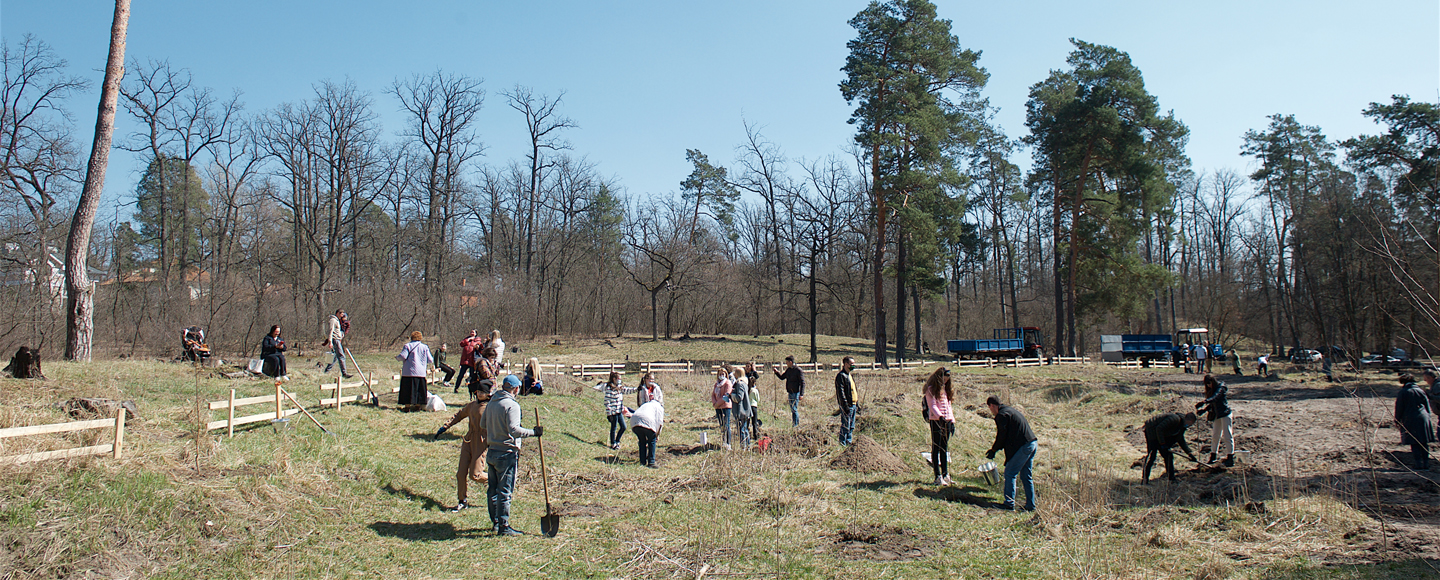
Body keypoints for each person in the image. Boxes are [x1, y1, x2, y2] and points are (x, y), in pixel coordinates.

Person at [481, 373, 542, 536]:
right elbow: (514, 430)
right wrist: (533, 432)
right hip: (506, 453)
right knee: (505, 491)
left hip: (492, 451)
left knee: (492, 489)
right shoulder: (512, 405)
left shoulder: (491, 403)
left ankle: (495, 522)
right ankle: (504, 526)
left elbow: (482, 424)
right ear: (515, 389)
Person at [435, 390, 489, 512]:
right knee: (461, 473)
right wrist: (445, 426)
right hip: (468, 439)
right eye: (479, 391)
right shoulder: (472, 405)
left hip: (481, 442)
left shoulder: (490, 408)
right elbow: (459, 415)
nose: (480, 394)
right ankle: (462, 501)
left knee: (475, 475)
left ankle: (497, 480)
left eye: (483, 392)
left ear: (488, 393)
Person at [986, 395, 1037, 511]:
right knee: (1026, 475)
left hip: (1024, 446)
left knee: (1009, 473)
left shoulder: (1002, 415)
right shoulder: (1009, 411)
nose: (991, 411)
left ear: (992, 406)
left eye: (990, 408)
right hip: (1032, 443)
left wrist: (994, 450)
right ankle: (1030, 505)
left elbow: (1002, 436)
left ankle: (1009, 504)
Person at [1141, 412, 1200, 484]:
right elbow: (1159, 429)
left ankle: (1171, 479)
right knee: (1152, 455)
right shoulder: (1174, 419)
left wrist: (1189, 453)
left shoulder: (1182, 426)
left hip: (1161, 435)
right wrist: (1162, 444)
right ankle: (1145, 479)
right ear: (1188, 420)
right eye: (1190, 424)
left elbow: (1180, 440)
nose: (1189, 426)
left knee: (1168, 456)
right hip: (1151, 430)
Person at [1395, 373, 1435, 470]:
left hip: (1411, 418)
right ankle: (1426, 464)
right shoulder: (1421, 391)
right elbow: (1427, 405)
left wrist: (1397, 420)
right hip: (1424, 417)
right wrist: (1428, 416)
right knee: (1424, 442)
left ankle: (1418, 464)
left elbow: (1399, 407)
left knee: (1414, 442)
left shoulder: (1403, 392)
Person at [923, 367, 955, 486]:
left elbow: (948, 406)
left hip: (946, 421)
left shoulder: (945, 390)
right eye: (944, 379)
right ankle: (937, 476)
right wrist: (940, 417)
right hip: (936, 421)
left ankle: (946, 474)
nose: (945, 381)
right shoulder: (931, 389)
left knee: (944, 448)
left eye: (947, 380)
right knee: (936, 447)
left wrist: (952, 421)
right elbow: (932, 405)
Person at [1196, 374, 1234, 467]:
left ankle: (1230, 457)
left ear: (1213, 381)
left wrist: (1204, 402)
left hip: (1225, 414)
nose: (1208, 386)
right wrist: (1204, 410)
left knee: (1227, 435)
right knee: (1215, 436)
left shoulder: (1221, 388)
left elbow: (1215, 397)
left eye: (1209, 383)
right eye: (1207, 384)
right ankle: (1213, 456)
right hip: (1218, 415)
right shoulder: (1213, 390)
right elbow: (1213, 403)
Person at [594, 371, 636, 449]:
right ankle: (613, 443)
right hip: (613, 412)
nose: (620, 380)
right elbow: (607, 402)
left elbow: (627, 390)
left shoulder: (619, 388)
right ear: (614, 379)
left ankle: (617, 441)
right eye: (618, 378)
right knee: (614, 427)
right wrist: (609, 414)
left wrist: (636, 389)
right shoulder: (609, 388)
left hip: (619, 411)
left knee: (623, 427)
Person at [395, 331, 434, 412]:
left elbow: (403, 356)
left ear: (411, 337)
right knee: (419, 390)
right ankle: (417, 406)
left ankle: (407, 407)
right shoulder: (425, 347)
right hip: (421, 373)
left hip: (408, 372)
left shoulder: (407, 346)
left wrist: (397, 358)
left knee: (407, 390)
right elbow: (430, 359)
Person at [626, 399, 664, 469]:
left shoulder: (646, 404)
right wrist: (657, 435)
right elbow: (660, 422)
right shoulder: (659, 407)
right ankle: (651, 462)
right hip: (647, 420)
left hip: (634, 421)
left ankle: (642, 461)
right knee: (652, 440)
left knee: (642, 441)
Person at [773, 355, 806, 428]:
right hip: (790, 392)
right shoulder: (788, 370)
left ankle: (796, 425)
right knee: (792, 408)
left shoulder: (798, 370)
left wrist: (801, 394)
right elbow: (782, 377)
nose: (786, 363)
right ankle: (794, 423)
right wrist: (776, 372)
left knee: (794, 409)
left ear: (791, 362)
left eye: (787, 362)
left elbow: (802, 383)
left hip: (796, 393)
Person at [322, 310, 353, 379]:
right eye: (341, 314)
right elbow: (331, 331)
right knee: (342, 356)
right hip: (335, 340)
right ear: (337, 313)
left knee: (335, 357)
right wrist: (330, 342)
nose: (342, 316)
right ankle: (344, 373)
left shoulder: (338, 320)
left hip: (338, 340)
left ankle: (326, 371)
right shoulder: (333, 320)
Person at [835, 357, 858, 447]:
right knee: (845, 426)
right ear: (845, 364)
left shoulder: (849, 375)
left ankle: (849, 443)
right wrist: (845, 406)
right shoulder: (841, 376)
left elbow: (853, 390)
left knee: (851, 426)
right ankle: (842, 444)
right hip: (847, 405)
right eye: (851, 364)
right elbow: (841, 393)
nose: (853, 365)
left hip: (853, 405)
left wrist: (857, 403)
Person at [712, 367, 734, 449]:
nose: (721, 376)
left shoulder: (728, 383)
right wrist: (714, 403)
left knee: (727, 424)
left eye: (723, 374)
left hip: (726, 406)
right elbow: (713, 395)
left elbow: (726, 395)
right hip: (717, 407)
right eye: (720, 374)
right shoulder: (716, 384)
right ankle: (724, 441)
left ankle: (728, 443)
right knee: (721, 424)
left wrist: (718, 403)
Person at [731, 366, 752, 447]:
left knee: (741, 429)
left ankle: (743, 446)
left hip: (742, 410)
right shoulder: (745, 383)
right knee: (745, 429)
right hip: (745, 409)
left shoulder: (740, 383)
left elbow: (739, 397)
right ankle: (748, 445)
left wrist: (731, 395)